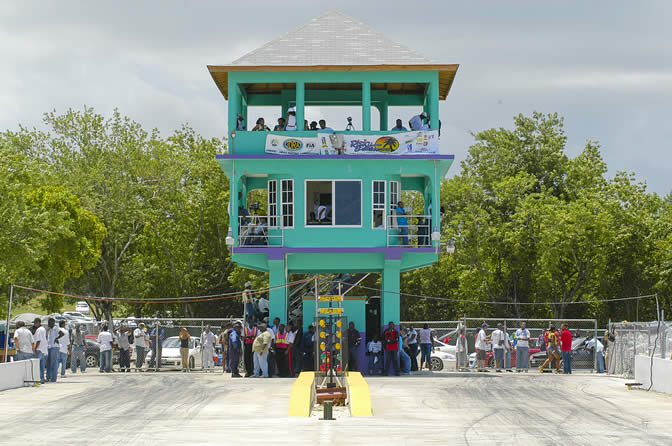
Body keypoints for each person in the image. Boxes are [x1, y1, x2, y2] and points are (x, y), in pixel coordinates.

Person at [47, 317, 63, 382]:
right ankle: (49, 377)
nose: (48, 324)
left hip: (54, 347)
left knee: (54, 363)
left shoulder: (55, 328)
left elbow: (62, 333)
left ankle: (53, 378)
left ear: (53, 322)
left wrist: (57, 338)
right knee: (49, 363)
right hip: (50, 347)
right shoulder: (50, 329)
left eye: (49, 322)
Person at [32, 318, 48, 383]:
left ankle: (38, 379)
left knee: (37, 366)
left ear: (38, 322)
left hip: (39, 349)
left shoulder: (39, 330)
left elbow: (38, 340)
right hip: (43, 350)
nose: (34, 324)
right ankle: (42, 379)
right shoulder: (43, 329)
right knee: (42, 366)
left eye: (35, 323)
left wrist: (35, 349)